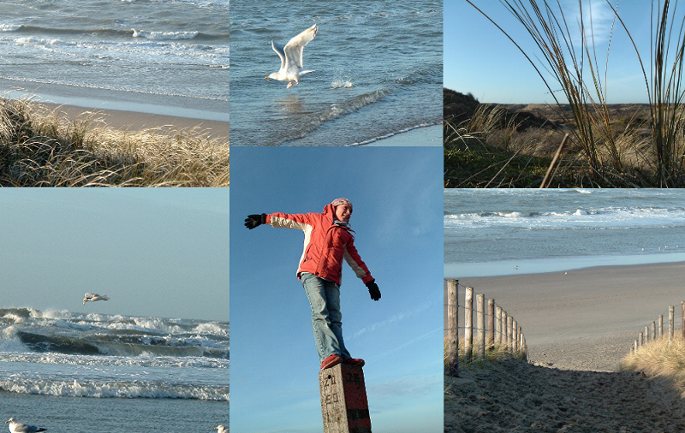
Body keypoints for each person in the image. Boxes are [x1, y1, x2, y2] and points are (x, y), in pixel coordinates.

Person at [244, 197, 381, 370]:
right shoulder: (315, 220)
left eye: (350, 211)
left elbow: (356, 260)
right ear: (334, 207)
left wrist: (369, 282)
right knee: (320, 312)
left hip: (333, 278)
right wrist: (264, 218)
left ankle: (343, 356)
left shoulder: (345, 235)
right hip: (311, 272)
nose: (348, 213)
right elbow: (289, 219)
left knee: (335, 318)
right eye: (345, 208)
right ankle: (329, 354)